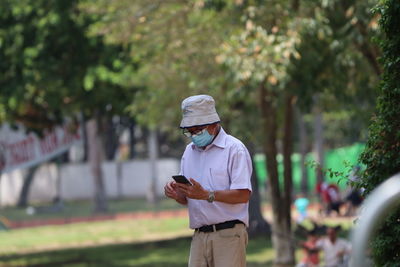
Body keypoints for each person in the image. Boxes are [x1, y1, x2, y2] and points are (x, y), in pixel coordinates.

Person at [164, 95, 253, 267]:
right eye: (189, 130)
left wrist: (207, 194)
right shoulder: (189, 152)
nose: (193, 135)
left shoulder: (234, 149)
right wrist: (178, 194)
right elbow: (189, 197)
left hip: (228, 235)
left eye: (197, 129)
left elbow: (243, 195)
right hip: (199, 235)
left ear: (213, 124)